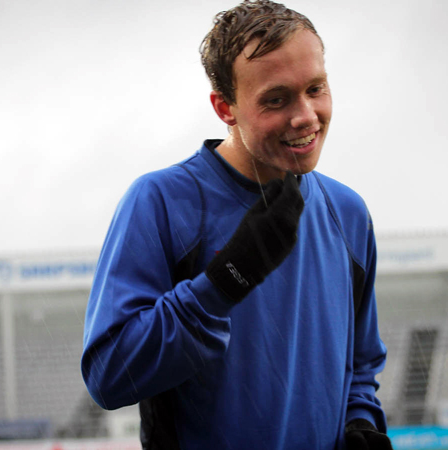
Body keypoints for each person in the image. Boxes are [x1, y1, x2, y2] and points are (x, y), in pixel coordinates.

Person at [81, 1, 392, 448]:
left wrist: (361, 423)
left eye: (316, 88)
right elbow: (108, 376)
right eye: (276, 99)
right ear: (225, 107)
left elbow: (360, 366)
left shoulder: (348, 213)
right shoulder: (160, 202)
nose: (306, 115)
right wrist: (224, 283)